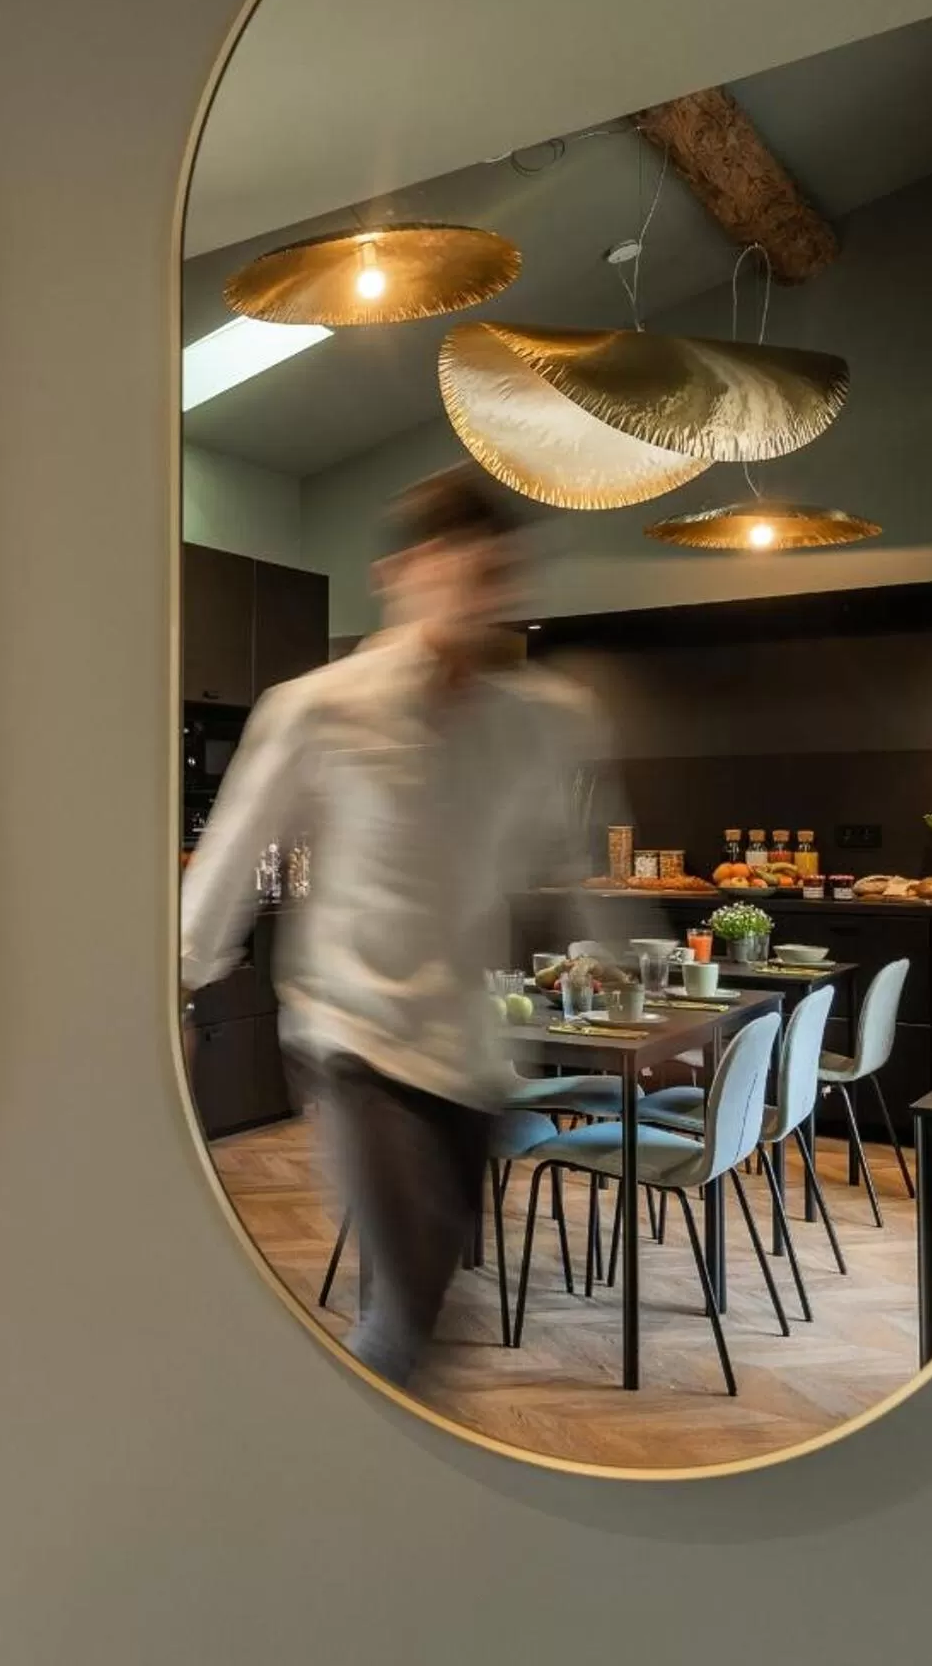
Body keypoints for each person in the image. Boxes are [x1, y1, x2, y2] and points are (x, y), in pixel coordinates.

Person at [180, 464, 620, 1386]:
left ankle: (379, 1449)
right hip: (355, 1035)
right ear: (404, 572)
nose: (478, 593)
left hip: (467, 1049)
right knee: (410, 1301)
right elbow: (227, 865)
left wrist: (609, 960)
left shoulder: (537, 721)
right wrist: (175, 987)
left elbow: (572, 866)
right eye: (458, 568)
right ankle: (335, 1464)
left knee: (432, 1302)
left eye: (494, 574)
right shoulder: (318, 707)